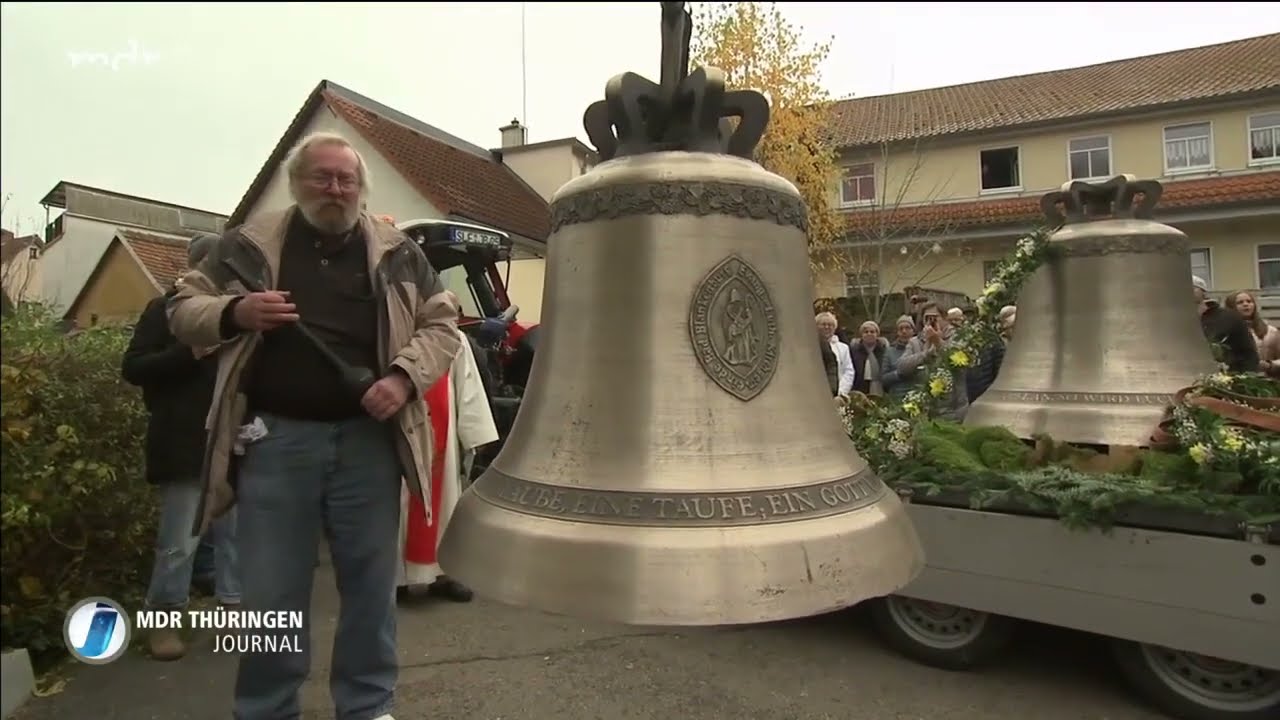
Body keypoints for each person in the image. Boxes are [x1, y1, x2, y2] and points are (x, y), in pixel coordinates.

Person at [167, 131, 460, 720]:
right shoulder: (245, 247)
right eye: (321, 177)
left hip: (370, 442)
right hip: (275, 441)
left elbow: (442, 325)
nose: (335, 188)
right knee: (270, 594)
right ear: (296, 184)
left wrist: (402, 379)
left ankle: (368, 707)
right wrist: (235, 311)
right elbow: (180, 309)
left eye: (346, 179)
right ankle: (265, 708)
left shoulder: (399, 252)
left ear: (361, 188)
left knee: (371, 589)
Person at [122, 233, 240, 661]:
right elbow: (134, 367)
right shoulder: (165, 309)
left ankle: (234, 612)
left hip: (233, 440)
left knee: (235, 537)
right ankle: (164, 620)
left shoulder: (237, 314)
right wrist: (189, 352)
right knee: (179, 542)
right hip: (183, 440)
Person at [398, 291, 500, 600]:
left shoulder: (454, 339)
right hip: (400, 431)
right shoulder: (394, 331)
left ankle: (444, 573)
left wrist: (476, 436)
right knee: (398, 506)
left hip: (441, 440)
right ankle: (397, 578)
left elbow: (468, 386)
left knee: (445, 504)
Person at [1193, 276, 1258, 373]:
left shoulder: (1229, 317)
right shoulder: (1173, 321)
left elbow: (1248, 353)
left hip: (1226, 376)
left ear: (1204, 292)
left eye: (1193, 287)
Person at [1225, 290, 1280, 375]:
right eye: (1240, 302)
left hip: (1267, 378)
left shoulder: (1271, 331)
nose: (1245, 304)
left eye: (1249, 301)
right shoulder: (1224, 332)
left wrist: (1270, 365)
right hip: (1235, 378)